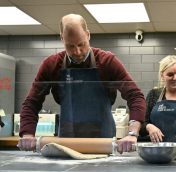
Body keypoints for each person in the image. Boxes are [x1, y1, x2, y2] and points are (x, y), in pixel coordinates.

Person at [17, 14, 146, 154]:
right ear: (62, 38)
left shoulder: (107, 62)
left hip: (103, 141)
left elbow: (135, 96)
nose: (77, 52)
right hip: (67, 142)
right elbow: (32, 102)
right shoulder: (51, 65)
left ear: (88, 35)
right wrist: (27, 134)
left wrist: (132, 133)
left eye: (81, 44)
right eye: (70, 46)